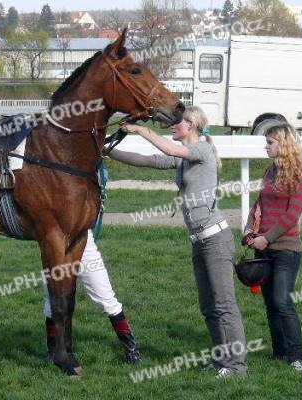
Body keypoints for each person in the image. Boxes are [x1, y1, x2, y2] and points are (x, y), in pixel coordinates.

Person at [109, 106, 248, 378]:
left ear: (191, 125)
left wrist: (140, 129)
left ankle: (236, 366)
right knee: (209, 308)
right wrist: (107, 152)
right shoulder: (184, 159)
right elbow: (146, 160)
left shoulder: (202, 150)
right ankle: (221, 360)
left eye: (177, 122)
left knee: (224, 306)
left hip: (215, 240)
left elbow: (170, 149)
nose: (173, 126)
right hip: (199, 241)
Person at [242, 120, 302, 372]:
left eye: (270, 142)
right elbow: (258, 205)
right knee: (271, 304)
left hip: (286, 250)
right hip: (263, 248)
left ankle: (297, 356)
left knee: (282, 301)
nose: (266, 146)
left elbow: (291, 216)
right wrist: (249, 230)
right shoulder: (269, 171)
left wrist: (267, 238)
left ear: (284, 144)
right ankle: (279, 352)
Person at [43, 229, 141, 365]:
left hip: (82, 241)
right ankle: (53, 351)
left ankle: (131, 350)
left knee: (106, 300)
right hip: (54, 244)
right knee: (53, 301)